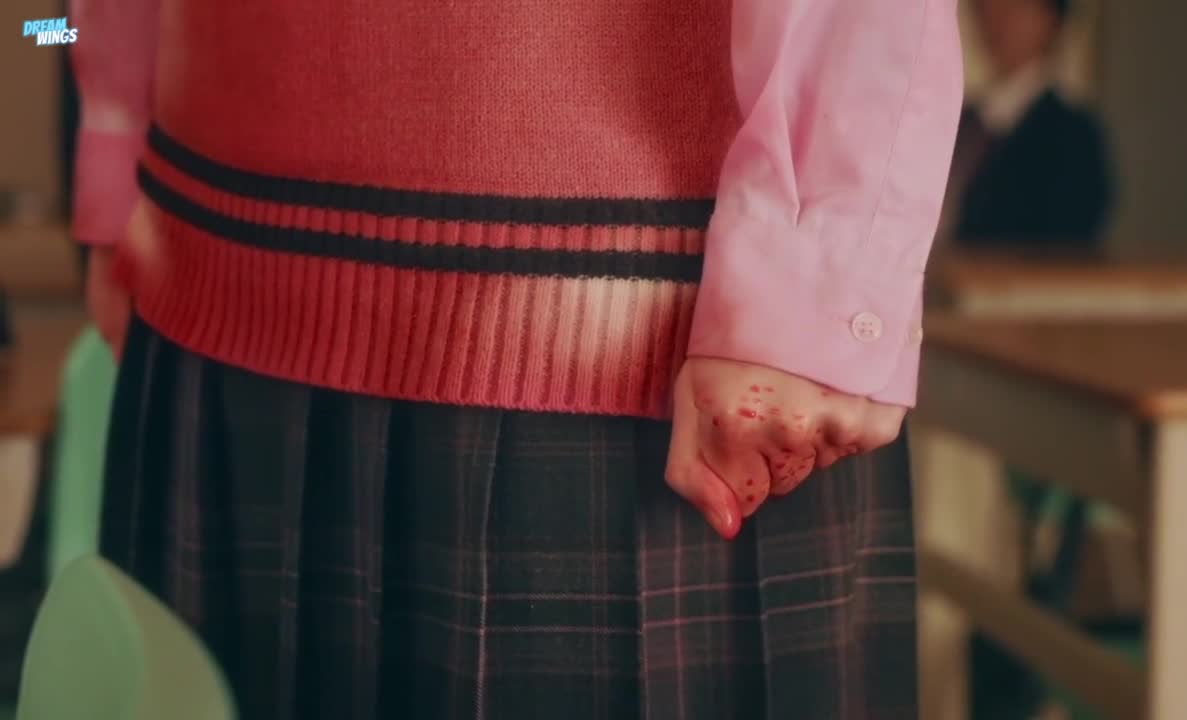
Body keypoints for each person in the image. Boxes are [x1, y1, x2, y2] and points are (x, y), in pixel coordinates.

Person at [70, 1, 962, 718]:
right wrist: (112, 116)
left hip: (625, 354)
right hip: (201, 284)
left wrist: (822, 251)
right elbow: (53, 26)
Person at [947, 0, 1112, 251]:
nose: (997, 19)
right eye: (988, 5)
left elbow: (1066, 242)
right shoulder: (965, 120)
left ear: (1051, 18)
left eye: (1015, 6)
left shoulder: (1074, 136)